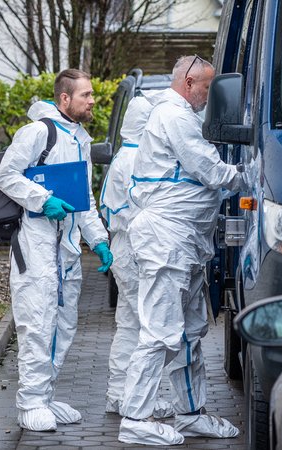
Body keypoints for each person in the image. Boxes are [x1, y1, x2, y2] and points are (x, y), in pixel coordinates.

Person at [118, 55, 243, 445]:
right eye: (206, 87)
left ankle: (191, 413)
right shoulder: (174, 116)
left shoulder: (181, 115)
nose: (208, 96)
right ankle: (136, 420)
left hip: (185, 242)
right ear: (190, 81)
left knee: (189, 332)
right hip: (166, 240)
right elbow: (208, 169)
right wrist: (249, 176)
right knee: (159, 332)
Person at [0, 69, 114, 432]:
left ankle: (45, 396)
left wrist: (99, 239)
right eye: (86, 95)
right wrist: (43, 199)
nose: (93, 100)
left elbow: (84, 199)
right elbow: (6, 175)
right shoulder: (37, 133)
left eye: (92, 94)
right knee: (38, 319)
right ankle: (29, 402)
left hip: (66, 246)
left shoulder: (80, 139)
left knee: (63, 322)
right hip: (36, 241)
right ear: (65, 99)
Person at [101, 91, 175, 420]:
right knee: (150, 324)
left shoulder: (123, 155)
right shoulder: (138, 160)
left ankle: (119, 394)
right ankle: (141, 399)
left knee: (129, 324)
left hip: (123, 244)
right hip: (136, 248)